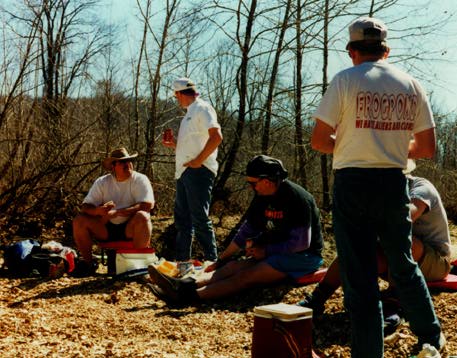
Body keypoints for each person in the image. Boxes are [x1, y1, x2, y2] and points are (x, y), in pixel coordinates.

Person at [310, 17, 444, 357]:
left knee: (359, 272)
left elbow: (319, 140)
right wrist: (395, 147)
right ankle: (431, 336)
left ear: (352, 51)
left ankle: (369, 352)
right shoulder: (411, 84)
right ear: (387, 50)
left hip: (353, 182)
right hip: (393, 183)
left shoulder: (344, 81)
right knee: (402, 263)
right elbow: (427, 148)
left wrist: (353, 142)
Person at [147, 155, 324, 305]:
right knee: (232, 267)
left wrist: (266, 251)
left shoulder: (297, 199)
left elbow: (301, 243)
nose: (251, 187)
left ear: (267, 181)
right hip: (279, 251)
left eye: (253, 183)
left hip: (305, 256)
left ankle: (187, 298)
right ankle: (184, 285)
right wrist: (221, 260)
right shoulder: (262, 196)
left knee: (246, 276)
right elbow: (246, 231)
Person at [300, 168, 452, 320]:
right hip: (399, 259)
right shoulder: (382, 193)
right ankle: (317, 298)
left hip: (437, 261)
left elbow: (405, 219)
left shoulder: (422, 189)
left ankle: (393, 302)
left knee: (401, 238)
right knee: (352, 250)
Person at [162, 77, 223, 273]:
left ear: (180, 94)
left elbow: (217, 137)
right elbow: (194, 144)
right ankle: (183, 264)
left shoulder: (202, 108)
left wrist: (199, 161)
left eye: (176, 95)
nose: (176, 99)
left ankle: (212, 261)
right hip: (184, 172)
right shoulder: (189, 114)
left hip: (198, 171)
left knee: (198, 217)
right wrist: (175, 145)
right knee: (183, 220)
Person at [72, 147, 155, 277]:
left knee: (143, 216)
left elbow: (147, 205)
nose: (127, 164)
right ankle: (88, 264)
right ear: (113, 166)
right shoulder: (102, 182)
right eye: (122, 162)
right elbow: (85, 206)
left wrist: (118, 212)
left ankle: (139, 268)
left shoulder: (140, 179)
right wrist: (98, 211)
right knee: (79, 220)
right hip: (106, 229)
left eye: (129, 161)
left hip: (131, 228)